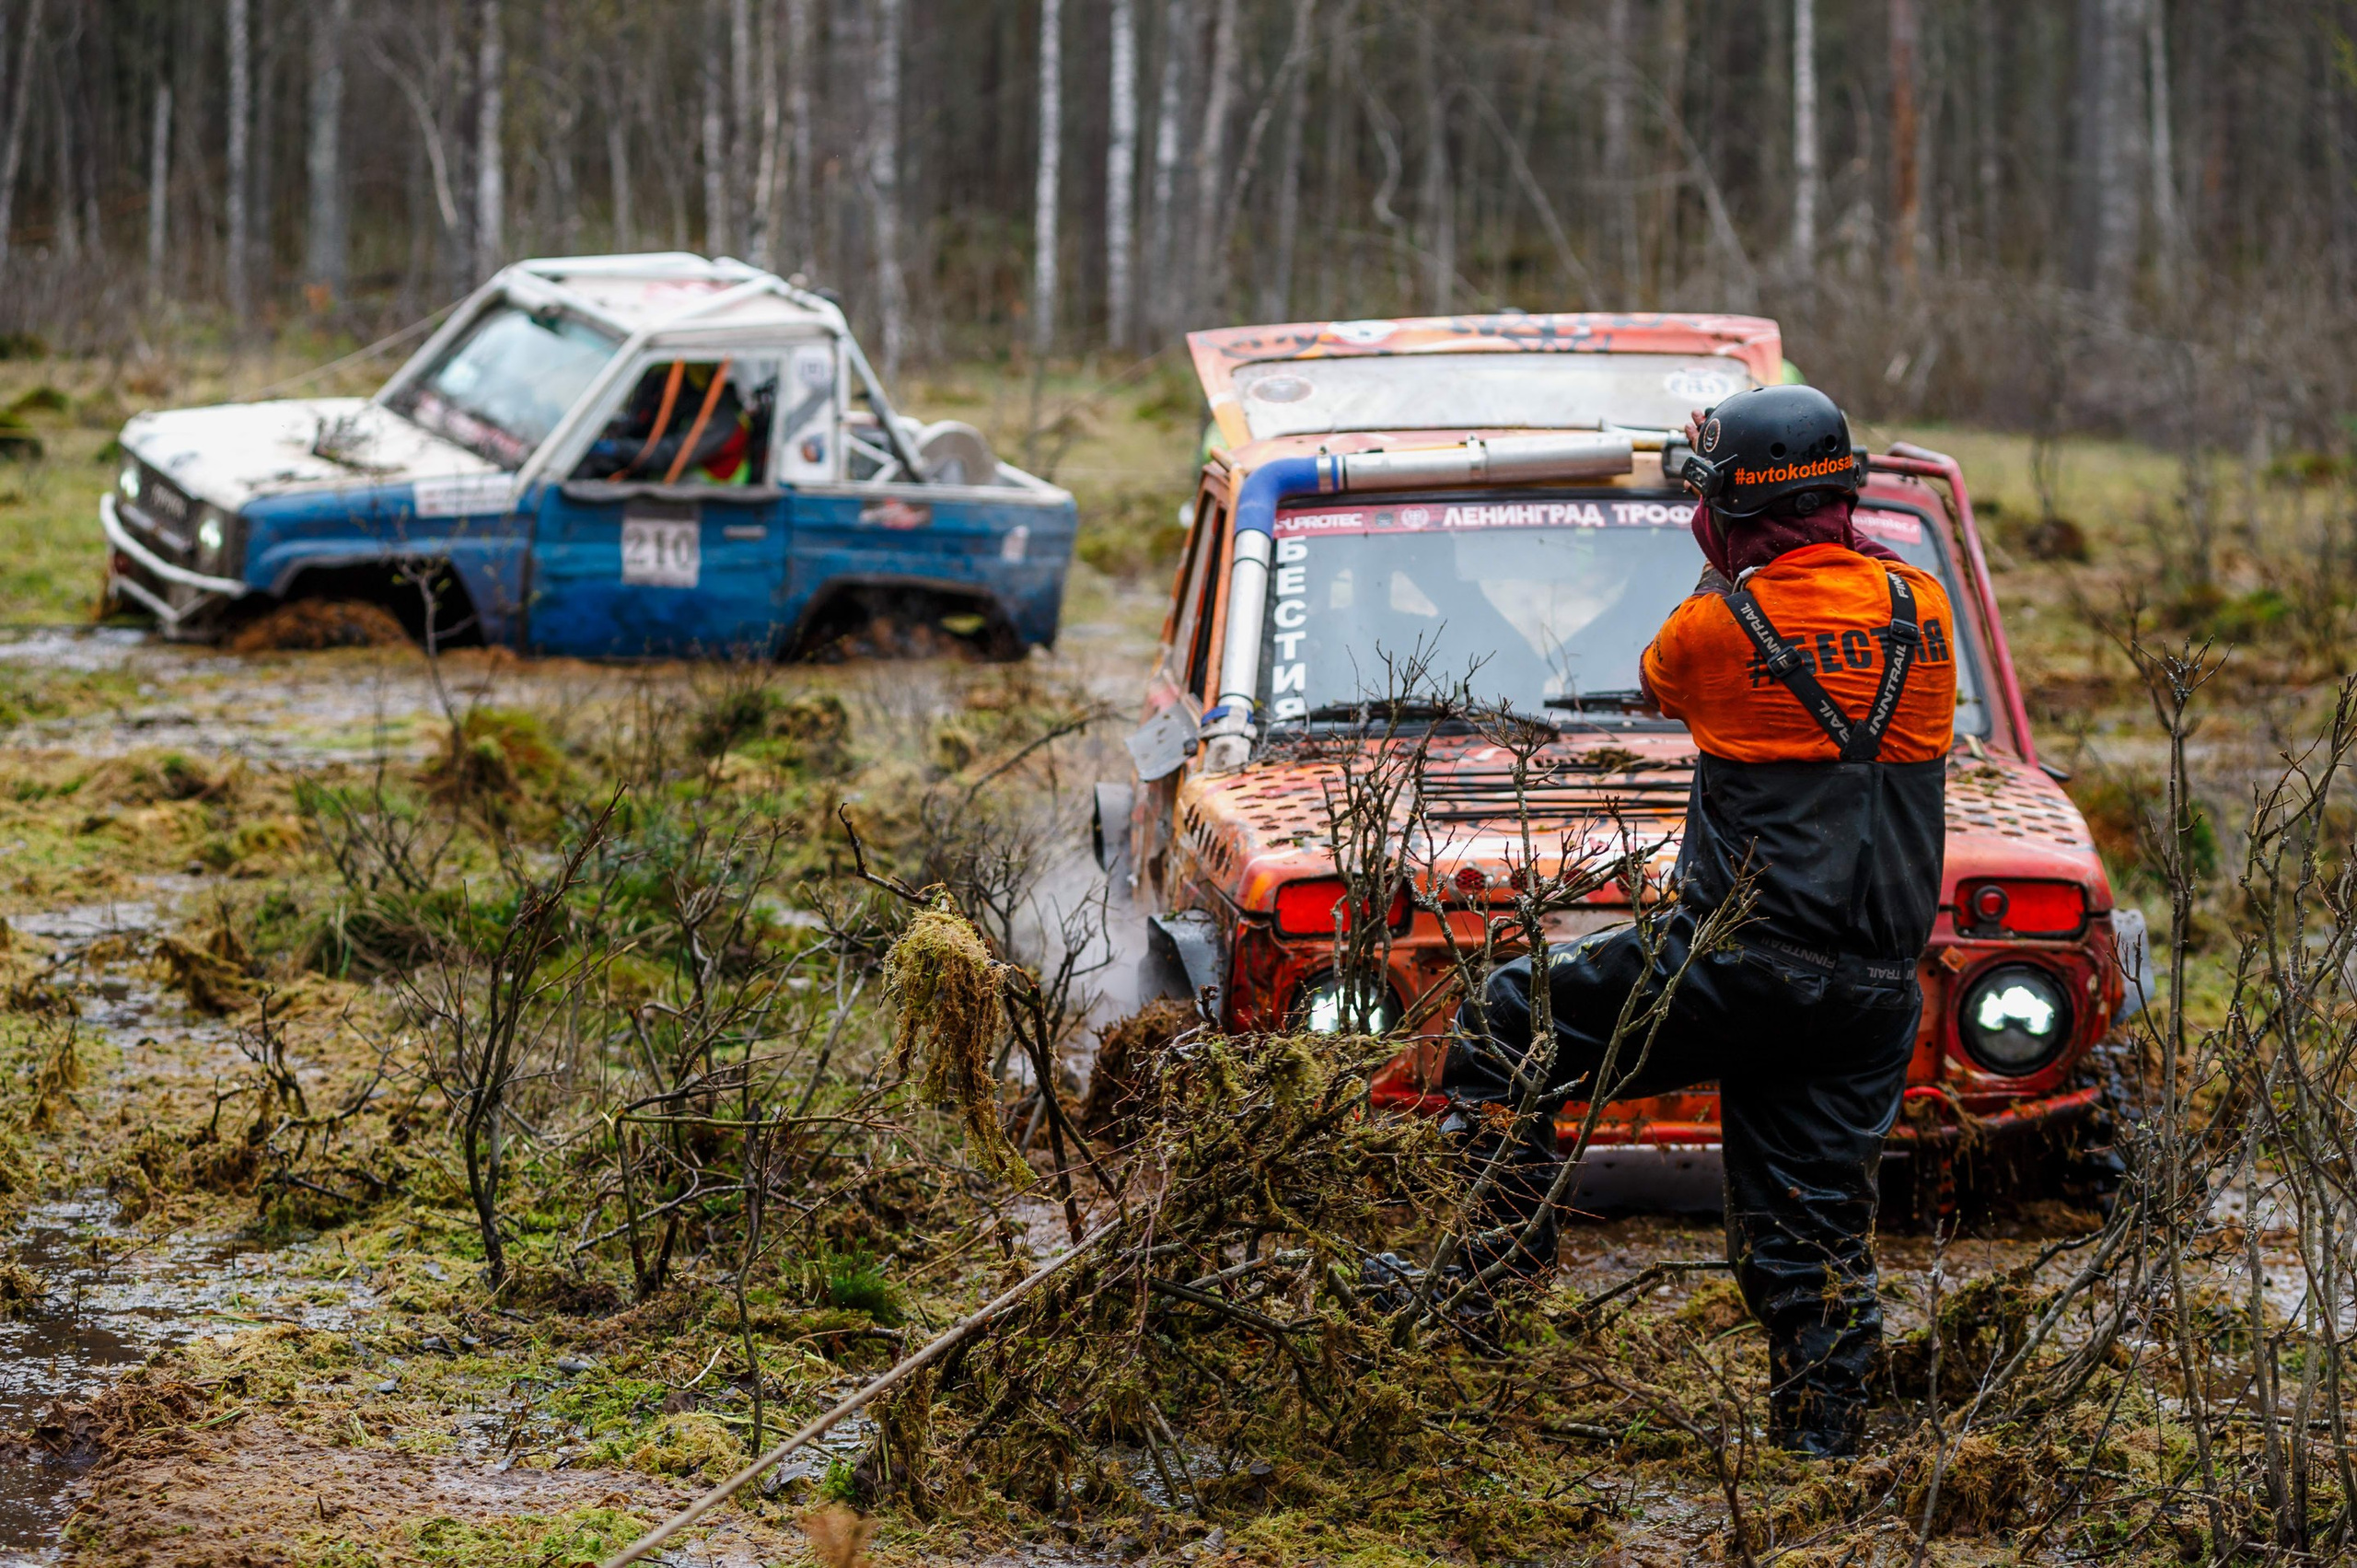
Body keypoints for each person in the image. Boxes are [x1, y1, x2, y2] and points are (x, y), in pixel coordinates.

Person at [1440, 384, 1958, 1458]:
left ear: (1728, 509)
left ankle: (1482, 1290)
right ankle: (1823, 1451)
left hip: (1737, 962)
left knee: (1502, 1023)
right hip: (1872, 990)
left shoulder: (1714, 627)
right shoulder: (1927, 612)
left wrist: (1726, 559)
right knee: (1811, 1227)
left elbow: (1657, 677)